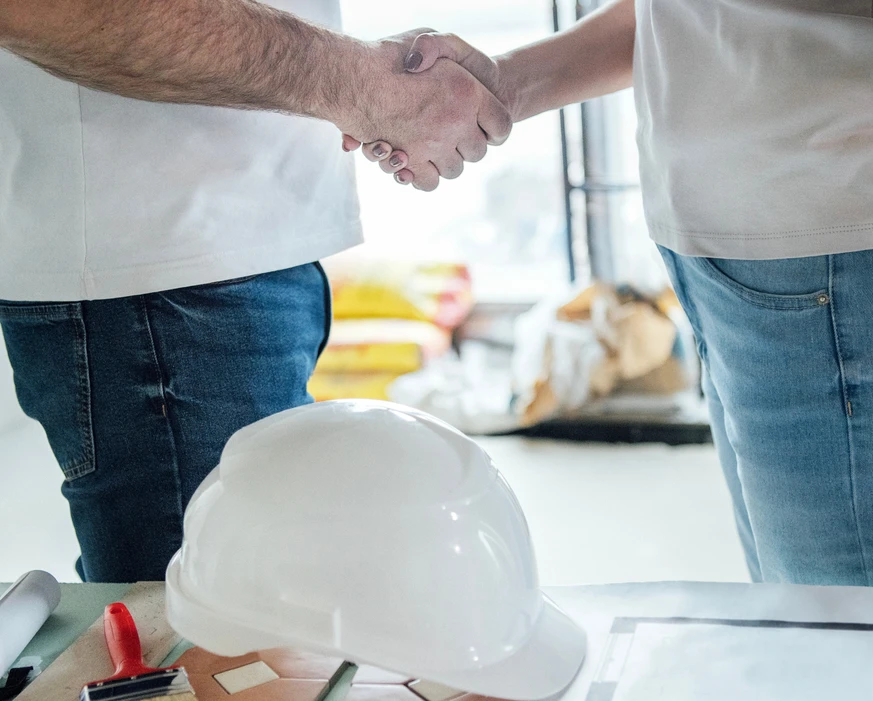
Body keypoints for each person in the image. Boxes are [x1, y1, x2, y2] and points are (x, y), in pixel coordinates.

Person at [348, 1, 873, 589]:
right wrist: (496, 89)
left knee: (859, 621)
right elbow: (681, 19)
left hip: (852, 244)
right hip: (732, 262)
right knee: (804, 600)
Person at [0, 1, 512, 583]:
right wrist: (365, 83)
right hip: (159, 279)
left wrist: (404, 89)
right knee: (203, 632)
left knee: (263, 605)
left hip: (243, 259)